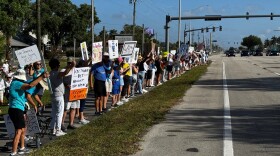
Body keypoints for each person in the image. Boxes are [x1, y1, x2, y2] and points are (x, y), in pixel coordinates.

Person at [9, 69, 49, 156]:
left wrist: (40, 76)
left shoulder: (17, 83)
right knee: (18, 131)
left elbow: (31, 84)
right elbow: (30, 85)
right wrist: (42, 76)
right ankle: (13, 152)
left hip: (19, 108)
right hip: (16, 109)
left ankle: (22, 147)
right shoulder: (16, 83)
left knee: (23, 129)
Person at [49, 58, 74, 136]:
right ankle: (58, 130)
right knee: (59, 113)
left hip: (53, 95)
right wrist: (70, 66)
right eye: (59, 64)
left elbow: (64, 73)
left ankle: (52, 129)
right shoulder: (56, 73)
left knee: (54, 112)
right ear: (57, 65)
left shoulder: (50, 73)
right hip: (59, 95)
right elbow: (64, 73)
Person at [61, 57, 79, 131]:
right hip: (67, 92)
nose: (70, 64)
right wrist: (66, 85)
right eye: (69, 63)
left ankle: (70, 123)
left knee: (73, 108)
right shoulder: (63, 70)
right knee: (66, 109)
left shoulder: (76, 70)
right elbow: (61, 81)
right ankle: (61, 123)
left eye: (71, 63)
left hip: (75, 92)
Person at [76, 59, 91, 124]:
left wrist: (91, 59)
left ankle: (81, 116)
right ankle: (80, 118)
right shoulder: (80, 70)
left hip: (83, 88)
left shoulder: (84, 69)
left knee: (81, 103)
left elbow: (89, 65)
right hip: (81, 89)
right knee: (81, 103)